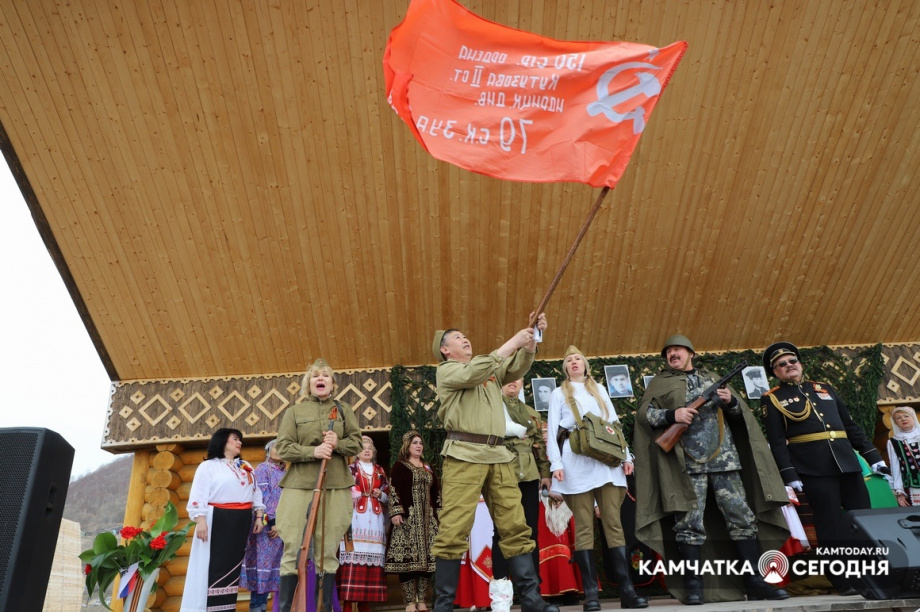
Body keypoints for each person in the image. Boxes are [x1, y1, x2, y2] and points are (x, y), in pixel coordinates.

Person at [635, 335, 789, 605]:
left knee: (742, 519)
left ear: (691, 353)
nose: (673, 354)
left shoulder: (713, 378)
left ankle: (754, 582)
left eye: (678, 350)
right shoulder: (660, 383)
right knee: (688, 524)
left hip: (725, 462)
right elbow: (644, 415)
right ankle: (694, 586)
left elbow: (741, 416)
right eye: (669, 351)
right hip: (686, 466)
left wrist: (731, 402)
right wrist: (674, 415)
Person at [430, 316, 558, 612]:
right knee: (453, 529)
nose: (465, 339)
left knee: (515, 526)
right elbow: (478, 370)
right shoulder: (447, 371)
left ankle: (530, 597)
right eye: (457, 337)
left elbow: (515, 367)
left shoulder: (486, 369)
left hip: (498, 455)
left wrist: (531, 339)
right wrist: (513, 340)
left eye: (465, 335)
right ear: (445, 350)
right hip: (464, 454)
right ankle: (444, 605)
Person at [761, 341, 889, 595]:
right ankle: (843, 582)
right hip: (813, 469)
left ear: (800, 364)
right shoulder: (773, 399)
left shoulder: (824, 389)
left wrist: (873, 456)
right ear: (776, 372)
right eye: (781, 365)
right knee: (830, 526)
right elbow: (777, 443)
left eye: (792, 362)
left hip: (847, 464)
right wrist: (790, 475)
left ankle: (872, 577)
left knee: (863, 522)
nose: (788, 366)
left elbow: (849, 426)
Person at [546, 346, 646, 610]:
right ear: (565, 368)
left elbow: (614, 425)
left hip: (606, 463)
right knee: (584, 526)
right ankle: (591, 594)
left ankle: (627, 591)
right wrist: (555, 463)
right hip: (574, 461)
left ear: (585, 364)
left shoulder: (599, 389)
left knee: (613, 524)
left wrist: (626, 457)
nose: (573, 362)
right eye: (568, 360)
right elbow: (552, 430)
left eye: (577, 358)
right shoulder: (558, 393)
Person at [275, 358, 364, 612]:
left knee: (327, 551)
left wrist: (338, 444)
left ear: (332, 384)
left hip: (335, 485)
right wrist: (312, 452)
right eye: (315, 376)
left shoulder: (344, 410)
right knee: (293, 547)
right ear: (309, 384)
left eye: (325, 375)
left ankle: (323, 609)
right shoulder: (294, 412)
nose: (320, 379)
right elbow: (283, 447)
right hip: (299, 485)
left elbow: (356, 444)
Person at [181, 428, 265, 612]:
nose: (239, 442)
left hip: (240, 522)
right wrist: (200, 520)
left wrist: (259, 516)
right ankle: (203, 608)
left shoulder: (246, 466)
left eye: (240, 440)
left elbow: (256, 492)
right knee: (211, 566)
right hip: (216, 520)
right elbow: (199, 493)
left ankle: (226, 608)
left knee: (232, 568)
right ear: (222, 441)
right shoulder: (208, 466)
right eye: (235, 438)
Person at [490, 378, 552, 611]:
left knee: (531, 532)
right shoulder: (492, 406)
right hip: (503, 474)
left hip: (529, 477)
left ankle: (531, 595)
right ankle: (501, 596)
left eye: (518, 379)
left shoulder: (530, 412)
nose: (513, 383)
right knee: (502, 532)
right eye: (508, 379)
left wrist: (545, 473)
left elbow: (539, 445)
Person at [386, 431, 440, 612]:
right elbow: (393, 489)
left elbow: (436, 492)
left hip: (428, 523)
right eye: (415, 443)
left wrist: (439, 515)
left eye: (421, 443)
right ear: (407, 446)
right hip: (407, 521)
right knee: (408, 563)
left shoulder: (427, 467)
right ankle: (409, 603)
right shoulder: (400, 467)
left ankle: (422, 601)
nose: (419, 446)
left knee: (427, 563)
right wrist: (395, 511)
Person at [338, 436, 389, 612]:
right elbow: (342, 490)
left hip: (374, 522)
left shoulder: (380, 470)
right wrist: (354, 493)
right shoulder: (350, 469)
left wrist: (380, 495)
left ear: (373, 452)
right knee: (352, 559)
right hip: (355, 520)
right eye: (363, 448)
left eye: (369, 448)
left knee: (370, 561)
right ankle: (347, 605)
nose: (366, 450)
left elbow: (388, 493)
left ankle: (364, 605)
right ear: (357, 452)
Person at [241, 440, 286, 612]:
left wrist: (282, 524)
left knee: (276, 572)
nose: (279, 450)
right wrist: (273, 523)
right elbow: (262, 498)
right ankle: (257, 608)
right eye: (276, 447)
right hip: (266, 528)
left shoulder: (286, 472)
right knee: (263, 570)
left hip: (283, 527)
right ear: (268, 451)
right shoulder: (262, 470)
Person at [888, 406, 920, 506]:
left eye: (906, 416)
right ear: (895, 422)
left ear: (913, 417)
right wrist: (899, 491)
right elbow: (895, 467)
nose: (903, 419)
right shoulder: (894, 442)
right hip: (912, 484)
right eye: (898, 418)